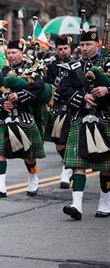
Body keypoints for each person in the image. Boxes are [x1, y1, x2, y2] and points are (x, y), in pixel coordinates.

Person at [60, 26, 110, 219]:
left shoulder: (107, 63)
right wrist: (81, 97)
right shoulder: (73, 67)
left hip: (104, 118)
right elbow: (63, 89)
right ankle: (77, 205)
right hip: (81, 118)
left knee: (106, 166)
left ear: (98, 44)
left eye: (88, 44)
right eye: (81, 45)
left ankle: (105, 202)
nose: (84, 48)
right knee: (77, 164)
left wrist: (106, 90)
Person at [0, 39, 46, 198]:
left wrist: (18, 96)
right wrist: (1, 103)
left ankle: (33, 178)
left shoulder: (30, 71)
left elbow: (40, 87)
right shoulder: (0, 73)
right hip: (4, 119)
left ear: (22, 54)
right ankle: (1, 186)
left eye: (14, 53)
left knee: (29, 155)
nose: (11, 56)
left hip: (24, 117)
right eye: (9, 53)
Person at [44, 36, 74, 189]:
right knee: (59, 144)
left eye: (65, 49)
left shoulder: (76, 64)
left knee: (68, 141)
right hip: (57, 107)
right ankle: (68, 164)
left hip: (73, 107)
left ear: (70, 49)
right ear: (56, 50)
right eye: (60, 49)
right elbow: (47, 84)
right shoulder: (51, 65)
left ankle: (67, 169)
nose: (63, 52)